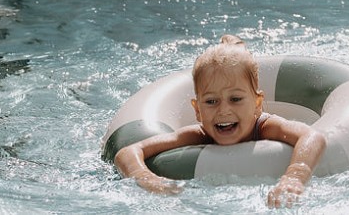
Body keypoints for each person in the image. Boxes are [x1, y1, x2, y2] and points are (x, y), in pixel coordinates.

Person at [114, 35, 327, 206]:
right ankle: (232, 46)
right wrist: (144, 176)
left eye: (235, 99)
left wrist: (295, 175)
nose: (223, 110)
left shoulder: (266, 126)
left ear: (257, 103)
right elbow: (128, 152)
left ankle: (236, 44)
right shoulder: (197, 134)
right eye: (211, 101)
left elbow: (312, 136)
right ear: (197, 111)